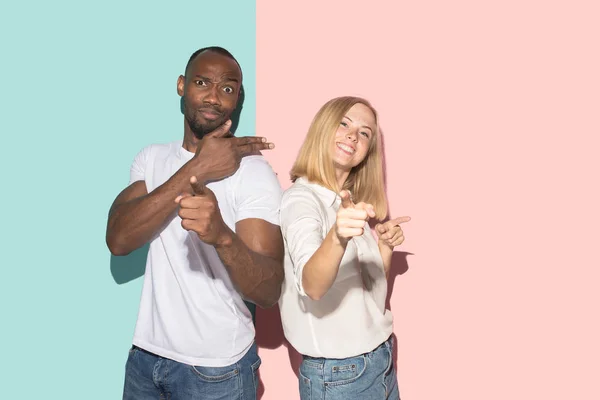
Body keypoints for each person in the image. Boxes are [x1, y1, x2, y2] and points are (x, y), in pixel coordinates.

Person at [106, 46, 284, 400]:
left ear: (238, 99)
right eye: (202, 82)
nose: (214, 97)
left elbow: (269, 291)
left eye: (228, 88)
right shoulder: (152, 158)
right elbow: (119, 239)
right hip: (145, 359)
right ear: (181, 86)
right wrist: (196, 169)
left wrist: (222, 237)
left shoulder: (253, 171)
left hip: (217, 369)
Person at [278, 96, 410, 399]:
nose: (353, 135)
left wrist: (385, 248)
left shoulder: (346, 201)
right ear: (323, 129)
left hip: (380, 358)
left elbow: (369, 292)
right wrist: (337, 237)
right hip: (341, 376)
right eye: (344, 123)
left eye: (365, 132)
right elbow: (311, 285)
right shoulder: (301, 200)